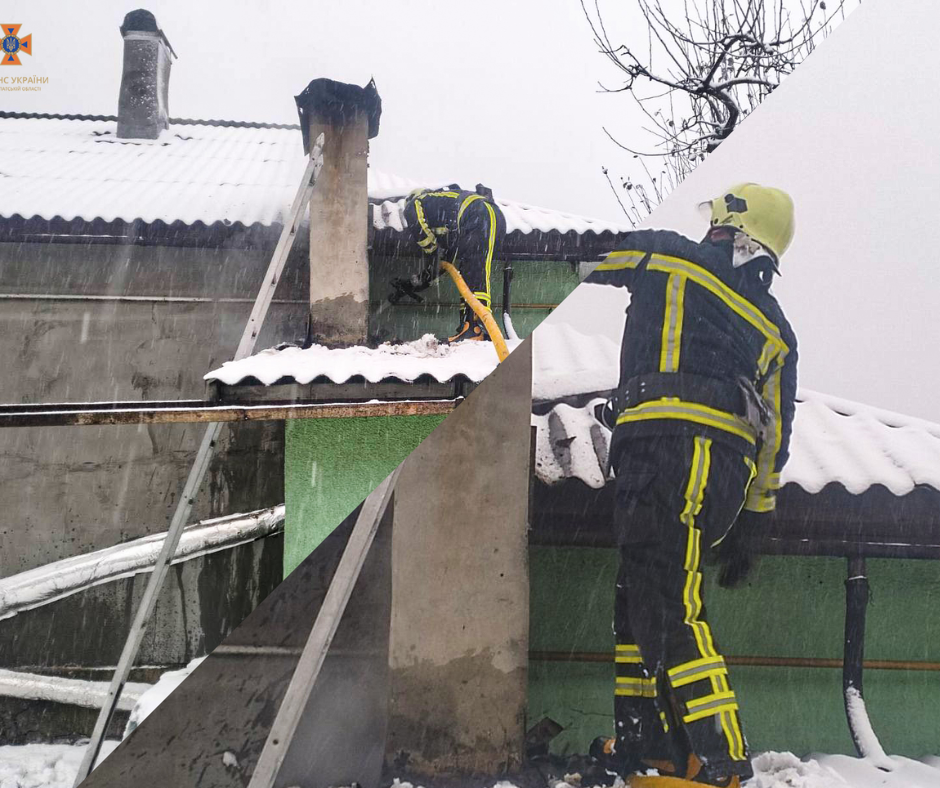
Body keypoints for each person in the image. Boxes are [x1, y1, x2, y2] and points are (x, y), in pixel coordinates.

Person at [584, 184, 799, 788]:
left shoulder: (669, 256)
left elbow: (585, 251)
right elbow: (775, 433)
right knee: (641, 597)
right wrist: (755, 517)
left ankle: (723, 761)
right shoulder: (777, 329)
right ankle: (649, 745)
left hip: (668, 453)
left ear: (730, 229)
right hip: (721, 476)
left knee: (671, 605)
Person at [397, 184, 506, 342]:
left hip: (479, 213)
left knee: (475, 271)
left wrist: (431, 250)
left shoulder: (419, 200)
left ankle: (475, 327)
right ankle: (469, 326)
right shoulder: (447, 215)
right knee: (468, 273)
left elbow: (412, 216)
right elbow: (446, 262)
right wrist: (421, 281)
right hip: (490, 217)